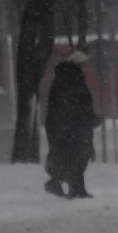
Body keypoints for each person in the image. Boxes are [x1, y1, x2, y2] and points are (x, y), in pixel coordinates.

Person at [44, 53, 101, 200]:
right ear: (79, 64)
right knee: (76, 157)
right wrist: (90, 118)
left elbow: (76, 105)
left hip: (66, 127)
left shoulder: (66, 77)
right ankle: (68, 186)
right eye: (84, 64)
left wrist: (90, 118)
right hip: (71, 128)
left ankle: (73, 188)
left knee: (74, 157)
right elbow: (76, 106)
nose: (86, 67)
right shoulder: (72, 79)